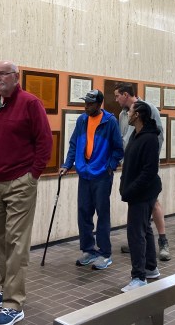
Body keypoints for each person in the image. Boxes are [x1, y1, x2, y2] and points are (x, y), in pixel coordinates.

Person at [0, 61, 53, 325]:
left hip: (20, 182)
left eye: (3, 74)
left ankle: (14, 304)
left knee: (16, 242)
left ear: (16, 76)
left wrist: (32, 175)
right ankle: (5, 290)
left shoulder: (30, 103)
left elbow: (45, 142)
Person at [60, 89, 124, 270]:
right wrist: (67, 164)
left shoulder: (110, 121)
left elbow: (118, 149)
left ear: (99, 104)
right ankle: (89, 250)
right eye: (85, 104)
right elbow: (73, 144)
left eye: (90, 104)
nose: (86, 107)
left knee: (102, 214)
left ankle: (105, 253)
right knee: (84, 212)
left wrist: (110, 166)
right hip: (84, 174)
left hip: (102, 175)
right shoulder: (82, 120)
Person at [114, 83, 171, 261]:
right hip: (130, 165)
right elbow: (124, 139)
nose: (116, 99)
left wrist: (149, 161)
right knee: (137, 207)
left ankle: (163, 242)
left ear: (125, 94)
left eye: (117, 96)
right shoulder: (123, 114)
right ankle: (138, 243)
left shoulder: (149, 109)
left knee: (152, 203)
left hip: (146, 165)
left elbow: (158, 136)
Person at [119, 100, 162, 292]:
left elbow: (149, 171)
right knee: (145, 229)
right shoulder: (137, 135)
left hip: (142, 193)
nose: (128, 114)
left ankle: (138, 277)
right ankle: (151, 268)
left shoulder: (150, 139)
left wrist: (130, 189)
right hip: (136, 191)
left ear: (138, 115)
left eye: (130, 112)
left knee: (135, 234)